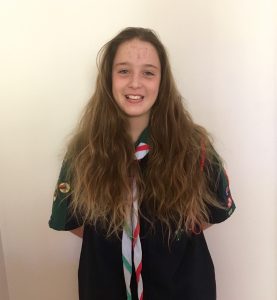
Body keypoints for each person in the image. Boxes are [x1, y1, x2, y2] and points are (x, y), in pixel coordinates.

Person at [49, 27, 235, 300]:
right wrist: (123, 236)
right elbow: (74, 222)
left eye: (148, 72)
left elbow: (213, 213)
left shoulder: (196, 147)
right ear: (108, 79)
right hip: (105, 287)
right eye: (123, 71)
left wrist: (155, 242)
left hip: (182, 289)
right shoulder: (83, 152)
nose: (135, 83)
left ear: (162, 81)